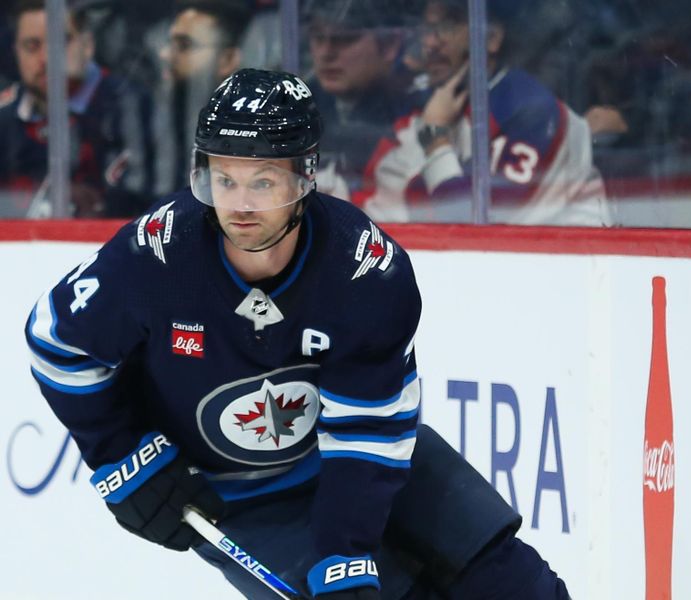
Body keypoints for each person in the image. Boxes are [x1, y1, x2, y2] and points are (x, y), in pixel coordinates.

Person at [25, 67, 571, 600]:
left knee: (518, 584)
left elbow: (367, 431)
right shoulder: (158, 255)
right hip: (239, 499)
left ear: (305, 176)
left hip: (368, 469)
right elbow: (57, 342)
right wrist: (121, 457)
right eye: (224, 178)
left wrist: (346, 553)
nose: (239, 204)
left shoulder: (364, 269)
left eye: (262, 181)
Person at [359, 0, 609, 226]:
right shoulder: (422, 108)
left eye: (447, 26)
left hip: (572, 270)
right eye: (426, 29)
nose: (430, 43)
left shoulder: (533, 111)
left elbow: (466, 226)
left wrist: (435, 139)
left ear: (492, 38)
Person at [0, 0, 154, 218]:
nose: (46, 58)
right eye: (32, 46)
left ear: (88, 44)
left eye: (62, 42)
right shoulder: (4, 116)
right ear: (16, 52)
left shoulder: (133, 111)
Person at [303, 0, 414, 202]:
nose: (326, 53)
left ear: (390, 44)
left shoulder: (416, 113)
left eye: (345, 38)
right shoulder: (300, 106)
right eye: (318, 37)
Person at [152, 0, 248, 196]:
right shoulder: (152, 119)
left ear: (227, 59)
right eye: (169, 44)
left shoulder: (251, 137)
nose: (164, 54)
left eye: (184, 45)